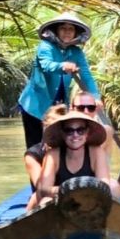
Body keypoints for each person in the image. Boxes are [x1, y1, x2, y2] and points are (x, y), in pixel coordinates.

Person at [17, 12, 100, 148]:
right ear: (56, 30)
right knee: (37, 147)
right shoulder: (45, 46)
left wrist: (95, 97)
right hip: (35, 104)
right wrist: (63, 66)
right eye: (63, 28)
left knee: (58, 146)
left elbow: (86, 75)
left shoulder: (76, 52)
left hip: (59, 104)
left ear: (75, 32)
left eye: (71, 29)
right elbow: (47, 65)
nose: (67, 32)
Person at [34, 111, 120, 206]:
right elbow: (44, 188)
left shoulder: (96, 152)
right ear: (62, 133)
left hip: (91, 199)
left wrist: (83, 193)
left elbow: (104, 184)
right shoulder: (53, 154)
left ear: (87, 133)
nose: (75, 135)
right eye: (69, 131)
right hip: (62, 200)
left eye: (80, 130)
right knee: (45, 201)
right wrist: (67, 190)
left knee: (114, 187)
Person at [69, 91, 114, 157]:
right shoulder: (64, 132)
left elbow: (89, 158)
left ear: (95, 110)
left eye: (91, 108)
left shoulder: (105, 131)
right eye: (80, 108)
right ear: (71, 109)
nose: (86, 112)